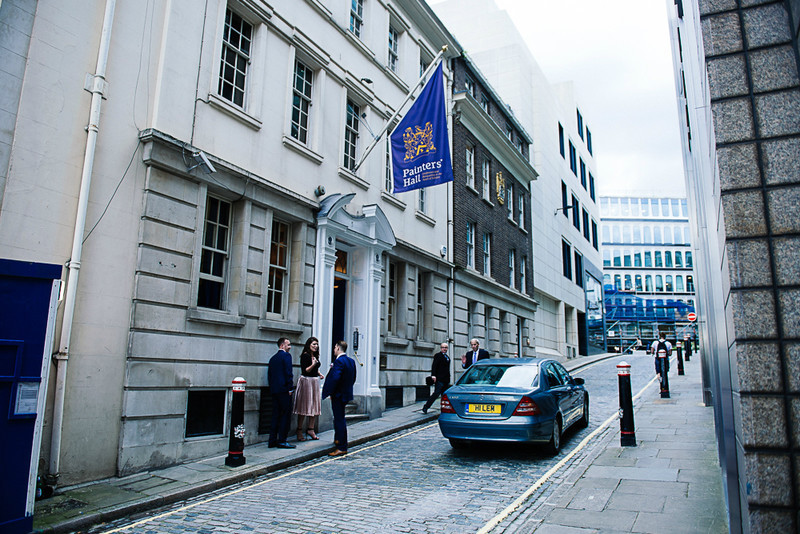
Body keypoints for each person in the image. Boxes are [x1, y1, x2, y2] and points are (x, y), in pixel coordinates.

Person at [322, 340, 357, 457]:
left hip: (338, 395)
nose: (333, 350)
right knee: (340, 418)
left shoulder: (339, 362)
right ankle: (338, 439)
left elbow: (335, 378)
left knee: (339, 419)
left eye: (334, 347)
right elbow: (353, 378)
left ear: (337, 347)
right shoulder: (351, 361)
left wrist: (331, 392)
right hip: (346, 394)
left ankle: (341, 446)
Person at [293, 336, 324, 441]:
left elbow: (315, 368)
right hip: (306, 382)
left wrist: (319, 373)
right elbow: (306, 370)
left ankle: (311, 429)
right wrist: (314, 364)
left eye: (316, 344)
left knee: (314, 406)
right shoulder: (305, 356)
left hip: (314, 381)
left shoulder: (314, 355)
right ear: (309, 345)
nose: (316, 346)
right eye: (314, 344)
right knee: (304, 407)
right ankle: (299, 430)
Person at [268, 337, 296, 449]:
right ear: (282, 345)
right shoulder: (287, 356)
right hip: (284, 391)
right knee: (285, 415)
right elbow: (289, 373)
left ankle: (272, 440)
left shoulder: (273, 358)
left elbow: (270, 375)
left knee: (275, 415)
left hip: (275, 390)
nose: (290, 347)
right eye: (288, 345)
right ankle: (282, 440)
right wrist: (290, 389)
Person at [422, 342, 451, 414]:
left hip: (446, 380)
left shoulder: (447, 357)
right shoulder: (438, 355)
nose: (444, 349)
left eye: (446, 347)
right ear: (441, 348)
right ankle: (426, 407)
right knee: (436, 394)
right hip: (439, 379)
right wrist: (433, 375)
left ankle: (444, 409)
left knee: (444, 396)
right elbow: (434, 366)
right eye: (443, 347)